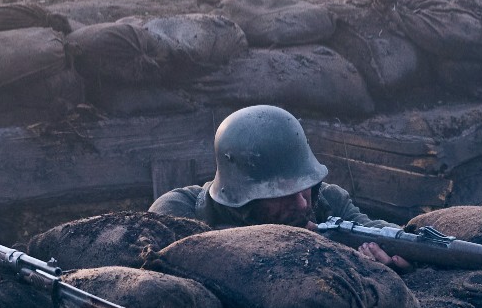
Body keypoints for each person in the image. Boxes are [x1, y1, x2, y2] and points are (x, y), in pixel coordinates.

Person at [150, 104, 404, 268]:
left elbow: (380, 232)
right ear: (243, 199)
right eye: (282, 194)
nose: (302, 203)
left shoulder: (327, 201)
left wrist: (399, 255)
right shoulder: (178, 211)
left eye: (304, 186)